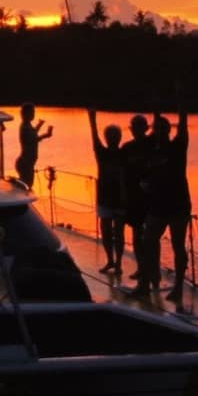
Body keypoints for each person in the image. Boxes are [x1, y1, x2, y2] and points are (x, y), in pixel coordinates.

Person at [140, 105, 191, 301]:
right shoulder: (153, 151)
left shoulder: (178, 146)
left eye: (163, 129)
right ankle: (146, 283)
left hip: (178, 205)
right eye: (157, 129)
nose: (159, 132)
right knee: (148, 241)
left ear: (169, 131)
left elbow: (183, 125)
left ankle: (178, 288)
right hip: (158, 205)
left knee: (178, 245)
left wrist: (181, 100)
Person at [88, 109, 125, 274]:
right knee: (106, 231)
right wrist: (92, 119)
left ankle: (118, 263)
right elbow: (94, 136)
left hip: (120, 198)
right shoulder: (101, 152)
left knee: (119, 232)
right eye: (110, 136)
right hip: (104, 197)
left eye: (114, 136)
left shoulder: (125, 153)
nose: (112, 139)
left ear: (119, 138)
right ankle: (111, 260)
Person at [119, 114, 153, 292]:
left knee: (151, 237)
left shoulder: (152, 145)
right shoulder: (127, 148)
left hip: (150, 198)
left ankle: (152, 272)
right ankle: (141, 268)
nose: (136, 129)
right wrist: (123, 195)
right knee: (137, 234)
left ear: (146, 128)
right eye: (133, 126)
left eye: (140, 126)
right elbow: (122, 173)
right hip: (133, 198)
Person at [15, 102, 53, 188]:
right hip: (25, 163)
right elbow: (32, 140)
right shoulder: (25, 127)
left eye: (33, 112)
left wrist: (39, 125)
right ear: (25, 114)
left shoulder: (28, 125)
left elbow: (33, 133)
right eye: (31, 112)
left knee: (27, 186)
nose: (33, 114)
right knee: (26, 187)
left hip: (28, 163)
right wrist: (45, 135)